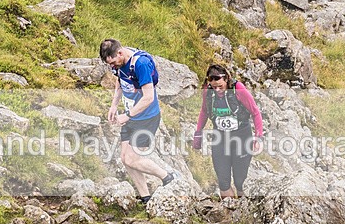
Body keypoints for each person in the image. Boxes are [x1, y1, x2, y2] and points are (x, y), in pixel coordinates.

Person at [100, 38, 177, 204]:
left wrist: (127, 115)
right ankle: (145, 197)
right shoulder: (118, 65)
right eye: (110, 65)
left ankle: (168, 177)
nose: (112, 67)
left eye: (113, 62)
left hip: (146, 118)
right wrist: (114, 105)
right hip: (131, 116)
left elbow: (149, 97)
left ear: (120, 53)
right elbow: (119, 82)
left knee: (132, 158)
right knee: (124, 158)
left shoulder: (140, 64)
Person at [192, 64, 263, 198]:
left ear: (226, 80)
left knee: (240, 181)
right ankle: (229, 212)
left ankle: (242, 212)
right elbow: (204, 111)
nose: (217, 89)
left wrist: (258, 137)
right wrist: (198, 133)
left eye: (220, 86)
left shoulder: (238, 89)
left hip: (241, 137)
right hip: (220, 137)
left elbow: (255, 112)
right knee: (223, 181)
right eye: (214, 87)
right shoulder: (208, 91)